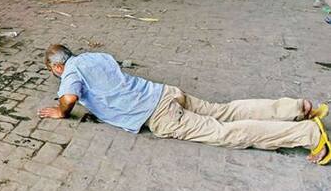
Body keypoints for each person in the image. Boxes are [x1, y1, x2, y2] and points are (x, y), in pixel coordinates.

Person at [38, 44, 331, 165]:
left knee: (225, 132)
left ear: (57, 67)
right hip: (165, 93)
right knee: (225, 110)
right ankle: (297, 108)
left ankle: (308, 135)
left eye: (54, 73)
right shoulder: (93, 56)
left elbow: (70, 97)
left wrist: (61, 112)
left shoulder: (71, 71)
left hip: (159, 114)